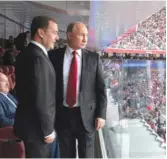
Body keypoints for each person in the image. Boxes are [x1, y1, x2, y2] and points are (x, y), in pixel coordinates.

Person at [49, 21, 107, 158]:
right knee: (66, 155)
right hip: (62, 116)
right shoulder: (53, 56)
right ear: (70, 35)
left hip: (87, 117)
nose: (85, 39)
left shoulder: (94, 58)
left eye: (86, 35)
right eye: (81, 35)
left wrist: (101, 115)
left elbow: (101, 89)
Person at [13, 16, 59, 158]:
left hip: (27, 127)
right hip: (37, 132)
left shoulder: (25, 54)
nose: (56, 38)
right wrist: (47, 130)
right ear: (41, 33)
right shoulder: (38, 59)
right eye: (54, 32)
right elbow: (42, 98)